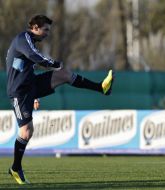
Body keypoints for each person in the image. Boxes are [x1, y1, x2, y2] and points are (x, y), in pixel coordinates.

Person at [6, 14, 114, 185]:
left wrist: (36, 94)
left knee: (63, 74)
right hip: (19, 92)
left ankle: (101, 87)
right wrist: (54, 63)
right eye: (45, 30)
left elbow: (25, 69)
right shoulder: (23, 39)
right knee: (26, 132)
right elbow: (34, 56)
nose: (48, 33)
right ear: (35, 27)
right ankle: (15, 168)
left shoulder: (29, 41)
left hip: (31, 86)